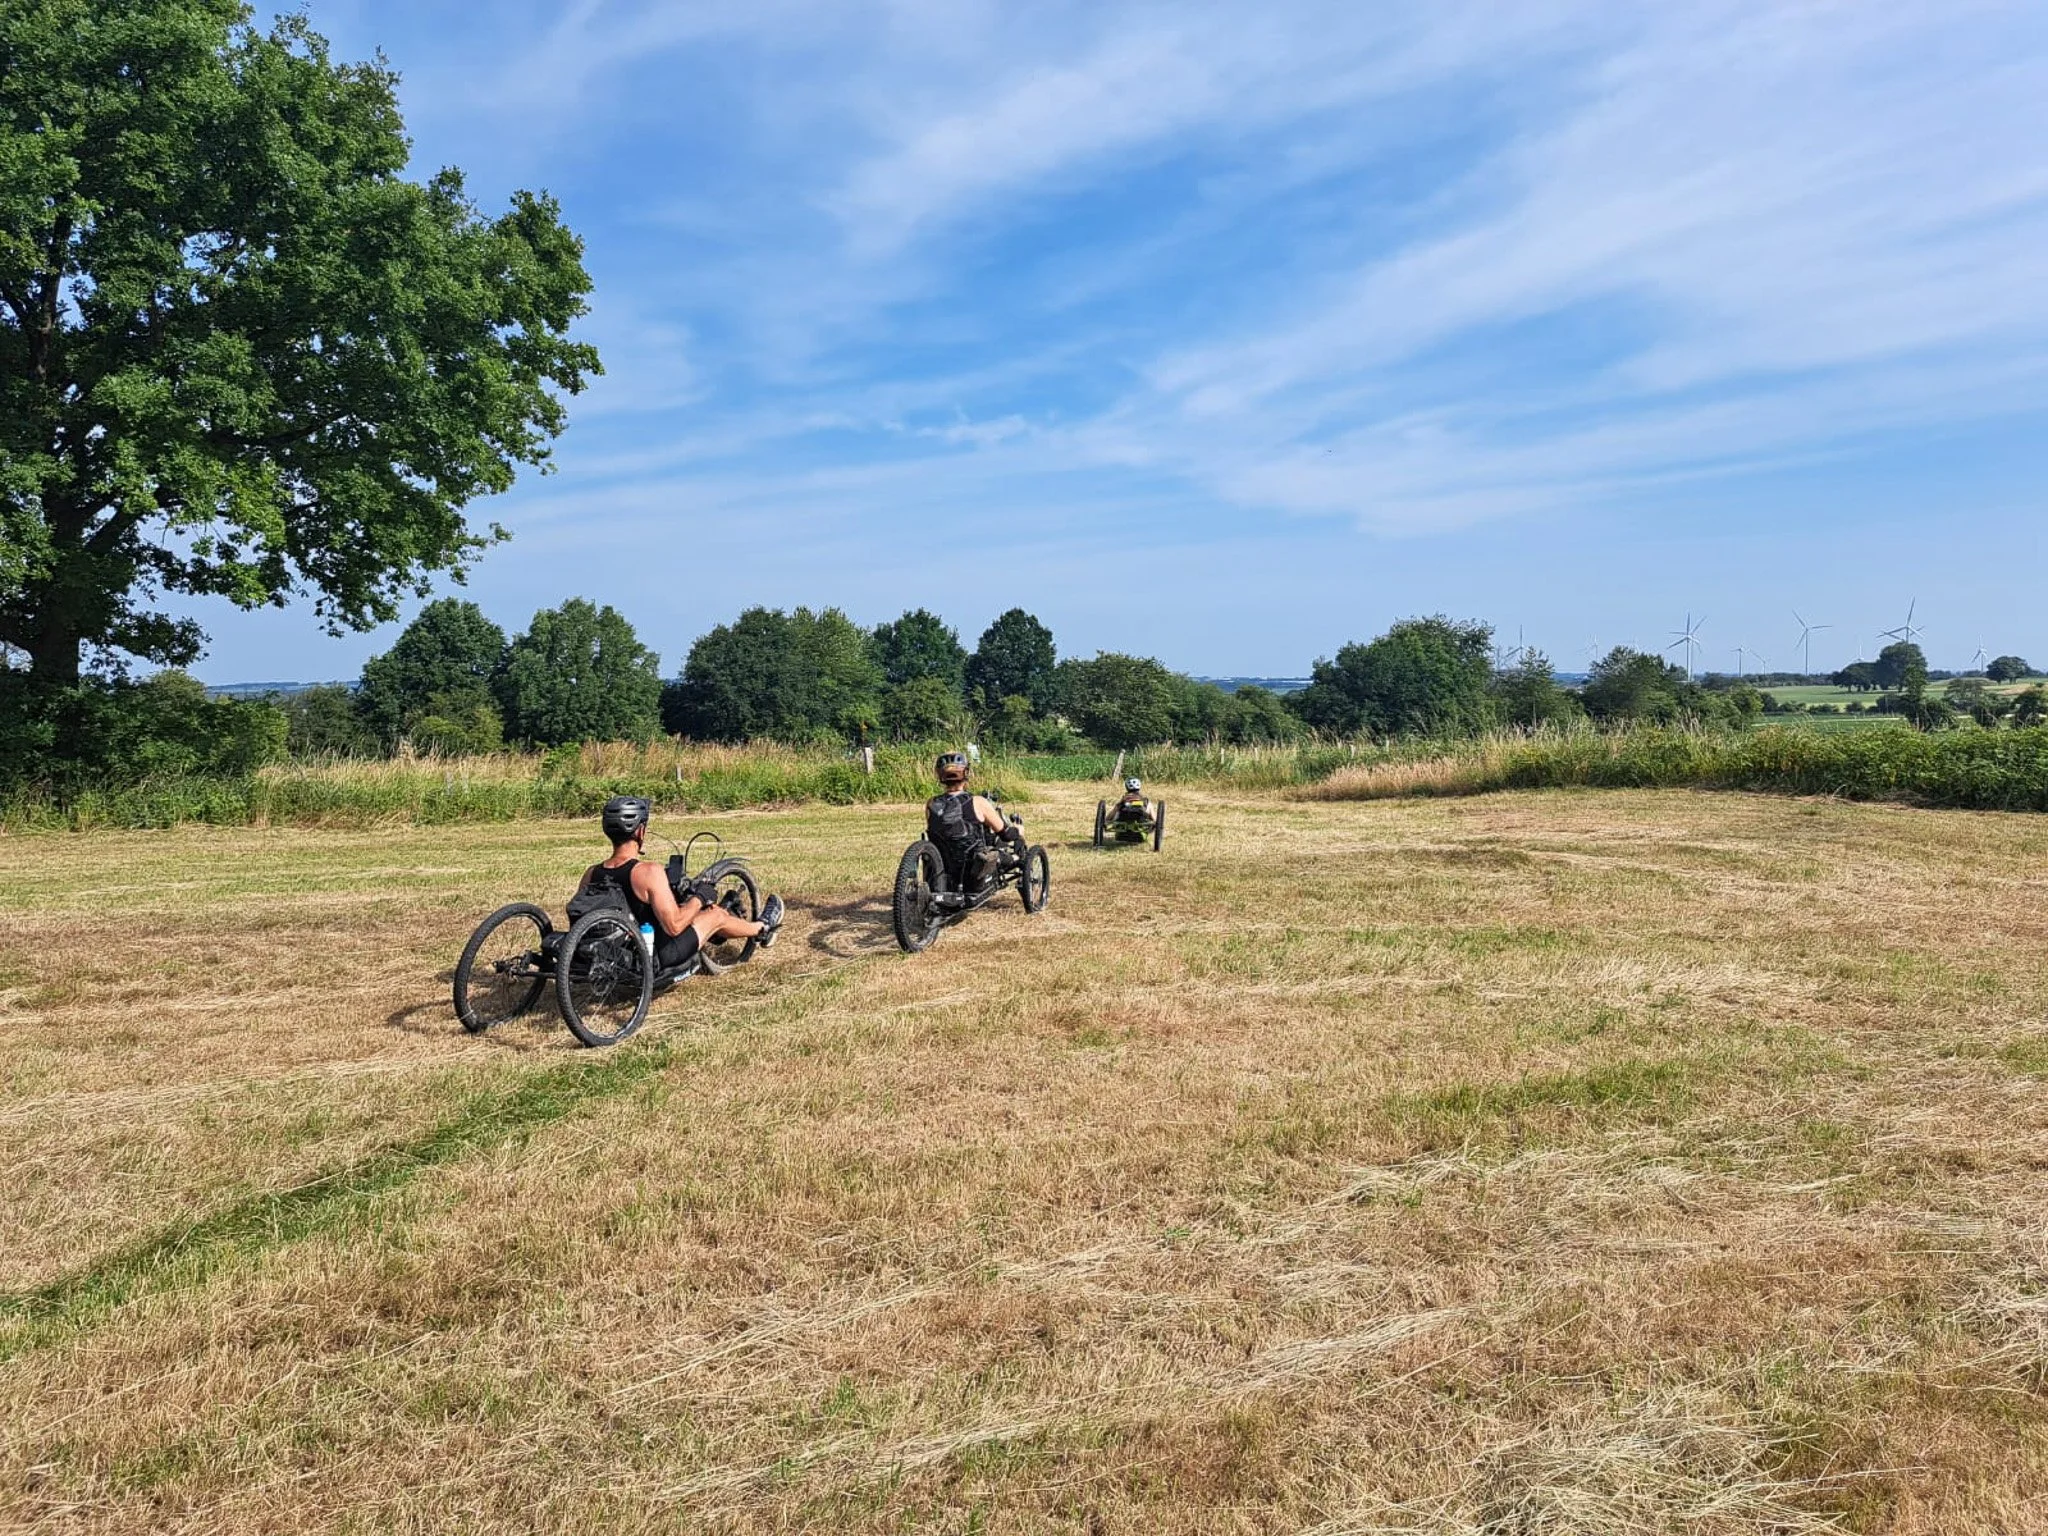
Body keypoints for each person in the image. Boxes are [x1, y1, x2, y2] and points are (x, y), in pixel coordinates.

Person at [576, 796, 783, 970]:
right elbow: (674, 926)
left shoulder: (591, 874)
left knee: (697, 912)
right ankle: (763, 929)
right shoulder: (648, 872)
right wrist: (700, 898)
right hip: (656, 957)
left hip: (617, 958)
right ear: (640, 831)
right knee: (716, 915)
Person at [926, 750, 1020, 889]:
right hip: (974, 874)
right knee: (1012, 854)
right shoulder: (978, 802)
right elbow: (1006, 834)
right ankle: (1017, 859)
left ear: (940, 775)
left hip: (942, 874)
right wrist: (1018, 831)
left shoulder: (931, 804)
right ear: (966, 773)